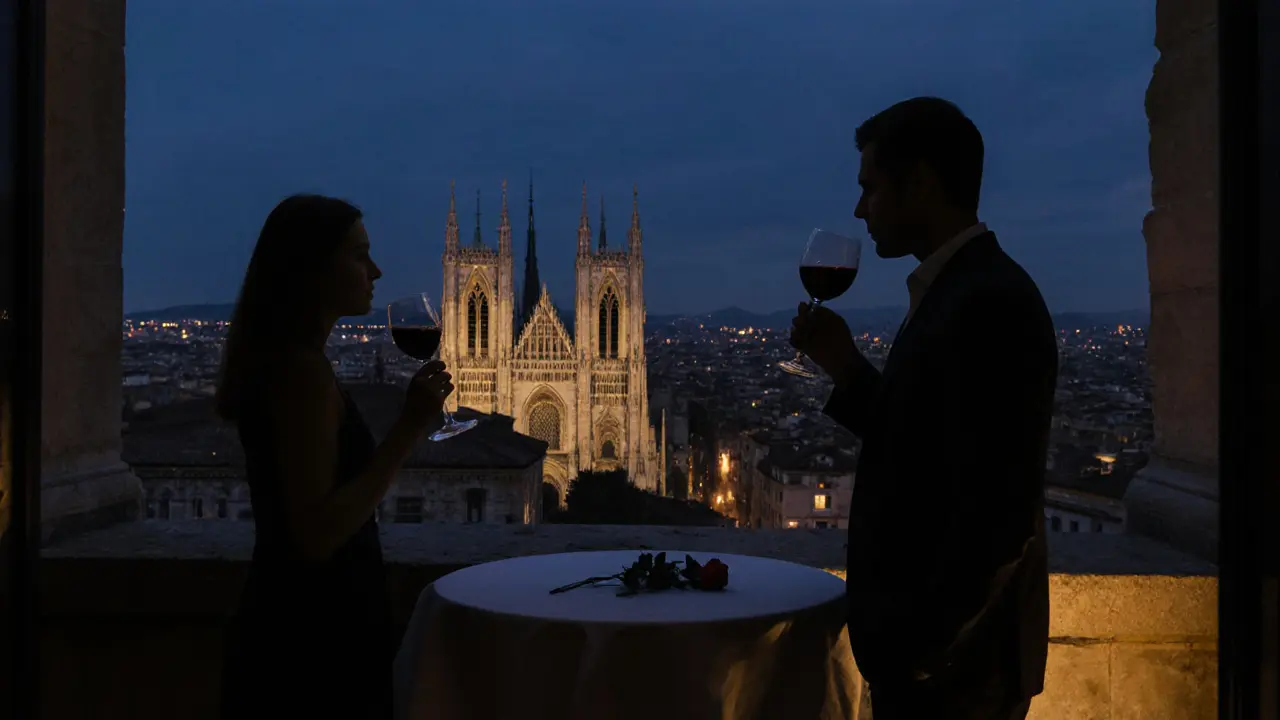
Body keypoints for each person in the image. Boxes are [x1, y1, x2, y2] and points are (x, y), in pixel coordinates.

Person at [790, 97, 1059, 719]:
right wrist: (847, 368)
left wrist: (919, 653)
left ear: (922, 184)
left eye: (871, 188)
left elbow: (1000, 513)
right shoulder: (958, 289)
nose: (861, 209)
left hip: (956, 677)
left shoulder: (988, 301)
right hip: (942, 668)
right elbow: (920, 444)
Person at [214, 194, 453, 718]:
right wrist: (410, 426)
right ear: (313, 269)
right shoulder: (301, 374)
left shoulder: (291, 363)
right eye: (359, 255)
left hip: (302, 624)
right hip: (312, 638)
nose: (376, 270)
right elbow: (315, 533)